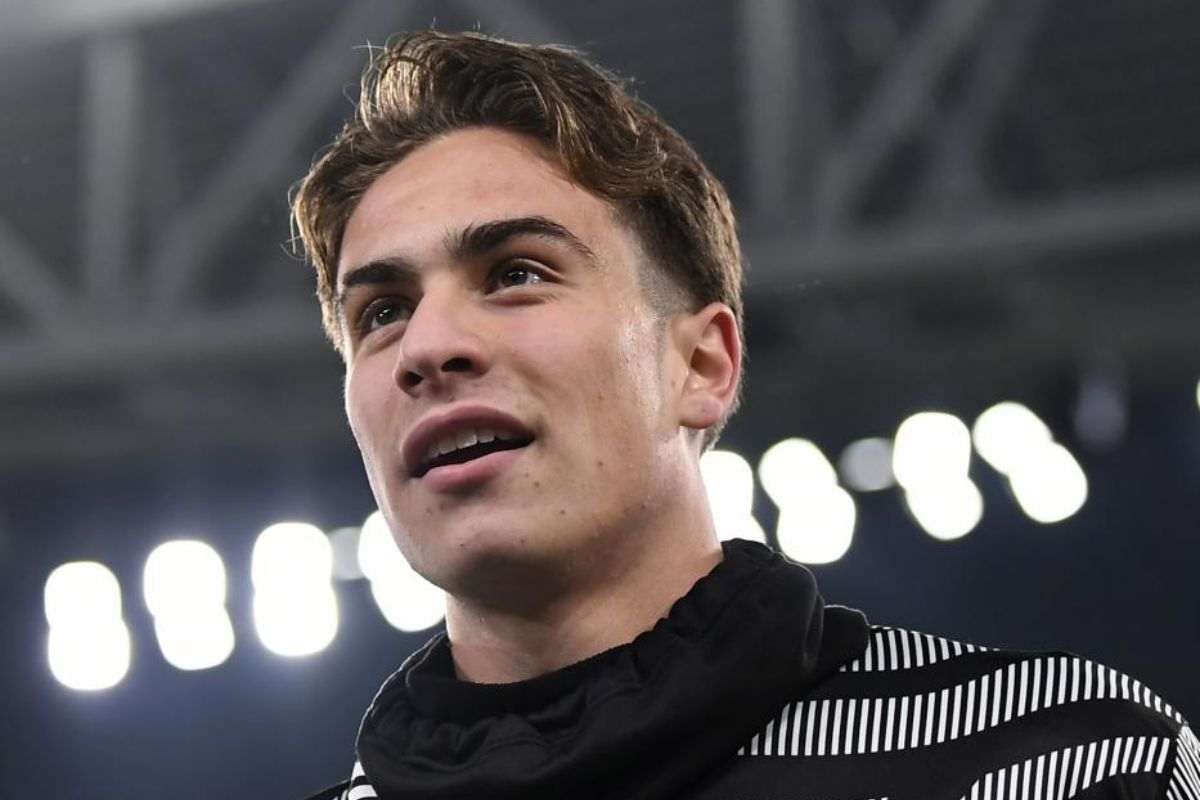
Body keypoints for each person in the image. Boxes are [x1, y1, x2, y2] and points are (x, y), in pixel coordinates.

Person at [291, 30, 1197, 800]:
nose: (426, 346)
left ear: (703, 365)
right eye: (382, 312)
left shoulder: (1062, 767)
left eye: (516, 274)